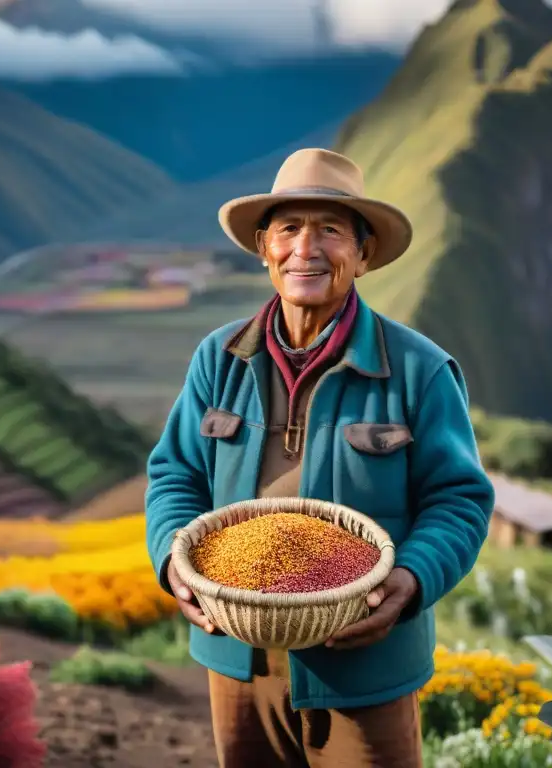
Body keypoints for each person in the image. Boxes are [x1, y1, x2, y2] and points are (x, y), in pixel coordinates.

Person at [144, 148, 495, 767]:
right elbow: (176, 474)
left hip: (365, 663)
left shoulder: (418, 370)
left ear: (362, 254)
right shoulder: (218, 358)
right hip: (238, 658)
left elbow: (459, 501)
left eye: (330, 229)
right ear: (263, 247)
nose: (305, 248)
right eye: (288, 228)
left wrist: (409, 582)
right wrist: (172, 561)